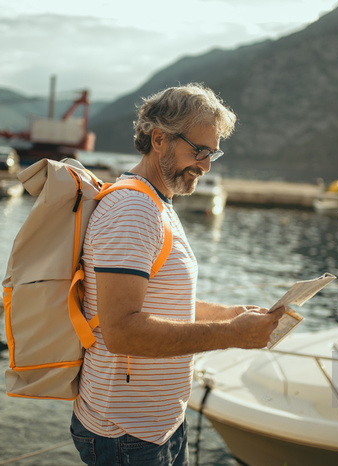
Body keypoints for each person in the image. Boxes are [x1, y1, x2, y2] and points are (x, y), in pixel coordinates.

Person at [71, 83, 284, 465]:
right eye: (198, 150)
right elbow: (121, 331)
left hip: (157, 427)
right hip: (126, 433)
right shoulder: (132, 210)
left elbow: (162, 301)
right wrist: (231, 335)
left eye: (212, 153)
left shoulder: (156, 203)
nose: (205, 164)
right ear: (159, 140)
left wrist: (229, 315)